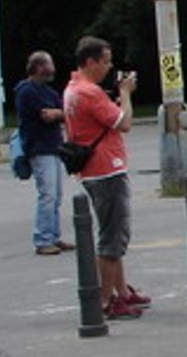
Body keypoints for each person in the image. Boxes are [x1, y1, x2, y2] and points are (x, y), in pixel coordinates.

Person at [62, 36, 146, 320]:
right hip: (106, 169)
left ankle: (121, 292)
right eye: (105, 61)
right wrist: (125, 93)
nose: (109, 67)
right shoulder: (89, 93)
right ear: (90, 61)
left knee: (112, 232)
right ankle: (105, 299)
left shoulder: (72, 89)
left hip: (91, 170)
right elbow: (124, 123)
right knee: (113, 236)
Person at [13, 50, 73, 255]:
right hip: (39, 148)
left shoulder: (49, 92)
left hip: (54, 147)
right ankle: (43, 239)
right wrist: (58, 113)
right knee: (47, 194)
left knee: (56, 195)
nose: (53, 69)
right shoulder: (26, 90)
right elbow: (47, 115)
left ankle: (54, 236)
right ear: (38, 67)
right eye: (49, 65)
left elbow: (63, 113)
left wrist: (58, 113)